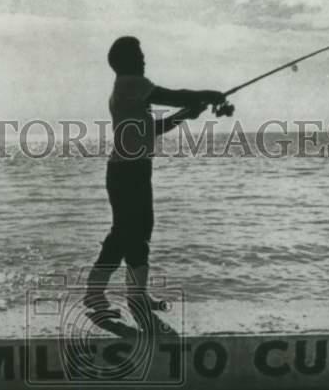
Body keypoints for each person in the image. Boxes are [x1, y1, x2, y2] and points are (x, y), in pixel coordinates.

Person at [83, 35, 226, 322]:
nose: (144, 59)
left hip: (133, 169)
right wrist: (208, 94)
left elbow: (153, 128)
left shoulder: (129, 89)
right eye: (139, 55)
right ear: (125, 62)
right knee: (125, 232)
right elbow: (172, 95)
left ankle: (137, 296)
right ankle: (95, 292)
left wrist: (185, 114)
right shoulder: (130, 82)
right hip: (127, 171)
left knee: (139, 230)